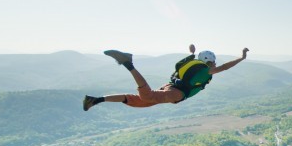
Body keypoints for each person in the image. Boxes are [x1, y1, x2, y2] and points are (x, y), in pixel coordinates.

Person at [83, 44, 249, 111]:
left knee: (138, 101)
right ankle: (128, 63)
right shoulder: (205, 70)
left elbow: (184, 68)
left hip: (170, 86)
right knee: (147, 96)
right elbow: (225, 67)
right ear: (209, 62)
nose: (215, 65)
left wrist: (192, 52)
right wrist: (241, 58)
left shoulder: (193, 63)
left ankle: (96, 100)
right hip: (177, 93)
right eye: (213, 62)